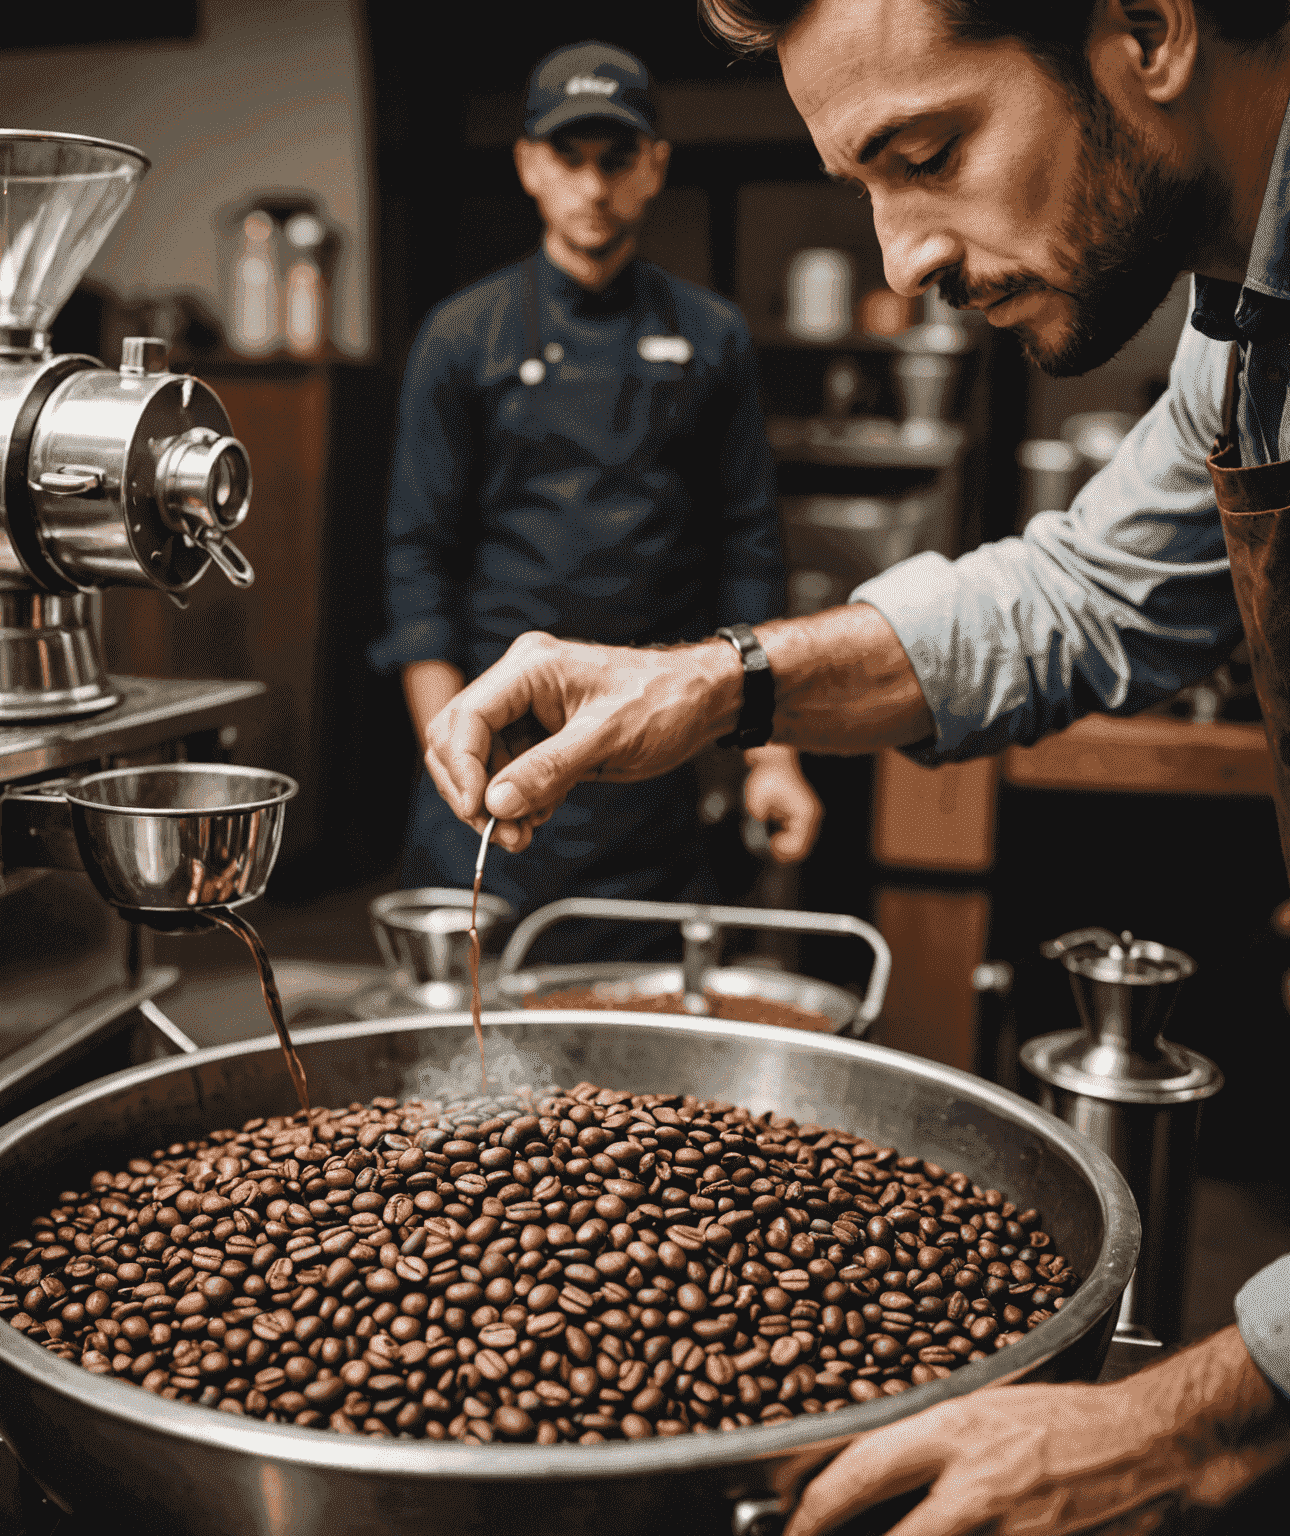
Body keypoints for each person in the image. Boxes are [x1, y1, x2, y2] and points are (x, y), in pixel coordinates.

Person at [417, 0, 1290, 1526]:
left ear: (1149, 27)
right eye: (863, 190)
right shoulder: (1247, 334)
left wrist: (1204, 1417)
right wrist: (718, 684)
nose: (904, 265)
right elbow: (1082, 594)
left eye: (928, 152)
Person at [370, 39, 821, 961]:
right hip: (490, 753)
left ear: (654, 166)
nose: (592, 187)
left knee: (639, 1075)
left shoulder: (713, 337)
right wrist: (449, 742)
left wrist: (772, 758)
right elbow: (418, 557)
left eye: (616, 159)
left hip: (655, 769)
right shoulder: (459, 339)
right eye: (567, 158)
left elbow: (748, 547)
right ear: (529, 165)